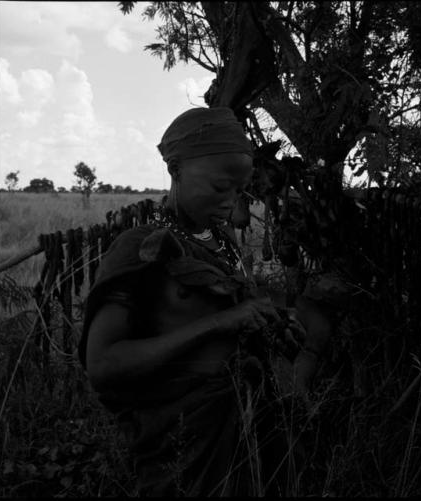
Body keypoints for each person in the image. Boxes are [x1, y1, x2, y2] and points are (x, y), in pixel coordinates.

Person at [78, 107, 330, 497]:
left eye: (240, 190)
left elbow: (230, 317)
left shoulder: (224, 244)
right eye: (218, 188)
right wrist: (221, 324)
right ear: (175, 170)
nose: (231, 202)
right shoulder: (140, 248)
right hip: (182, 447)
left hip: (247, 432)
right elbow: (103, 364)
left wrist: (272, 325)